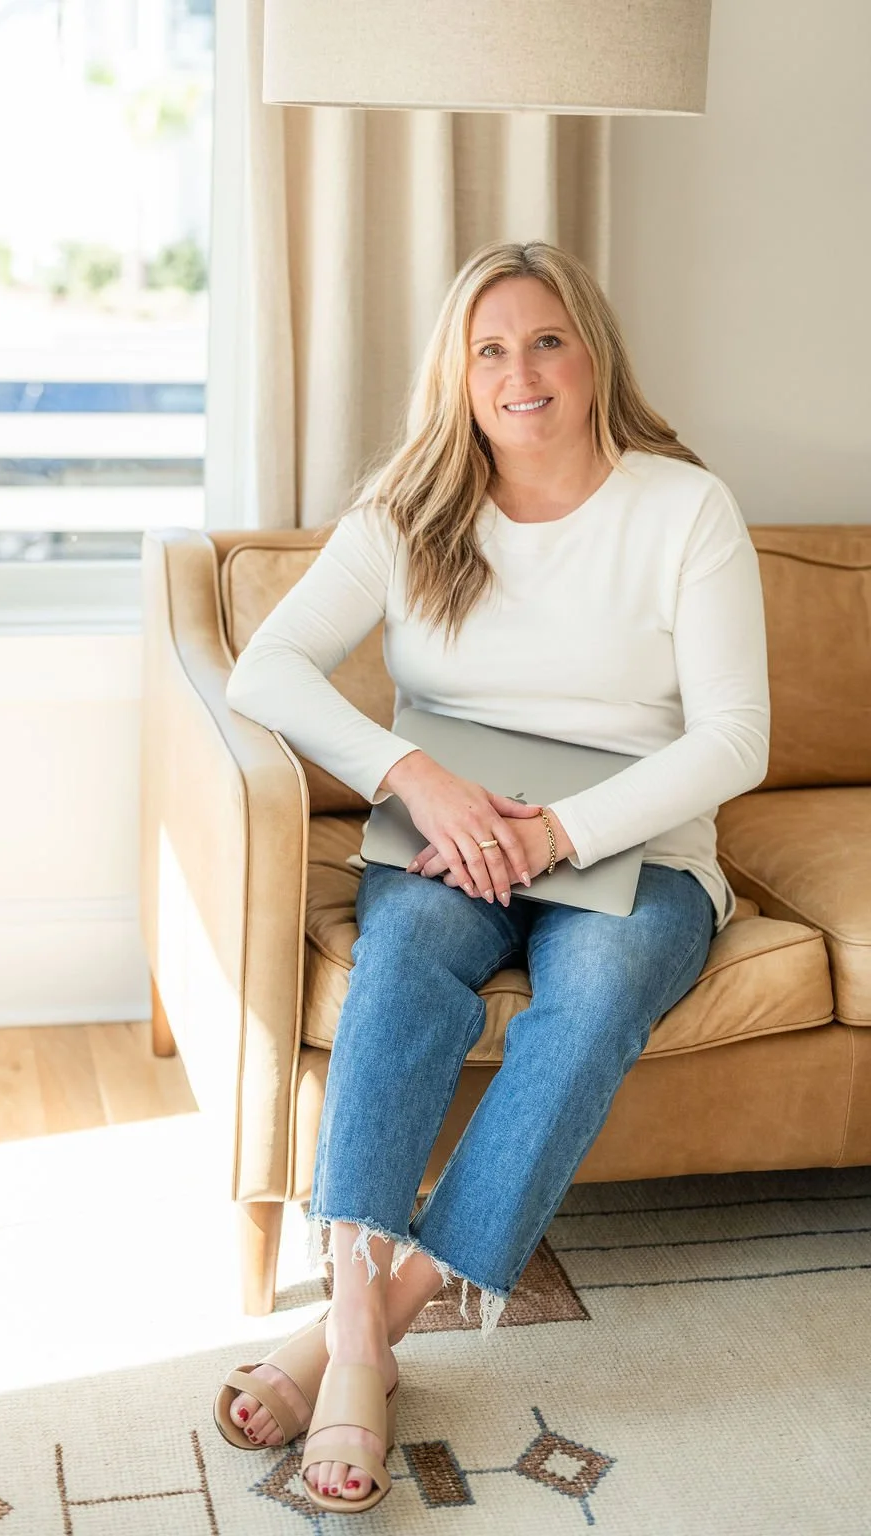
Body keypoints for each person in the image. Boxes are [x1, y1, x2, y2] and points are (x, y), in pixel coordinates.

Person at [213, 238, 771, 1514]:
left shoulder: (684, 508)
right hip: (447, 832)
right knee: (404, 959)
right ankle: (358, 1322)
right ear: (457, 377)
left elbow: (735, 739)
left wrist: (554, 831)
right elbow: (266, 669)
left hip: (635, 844)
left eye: (547, 341)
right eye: (490, 350)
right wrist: (415, 775)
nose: (522, 373)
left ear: (593, 356)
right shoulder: (409, 508)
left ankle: (365, 1334)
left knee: (599, 995)